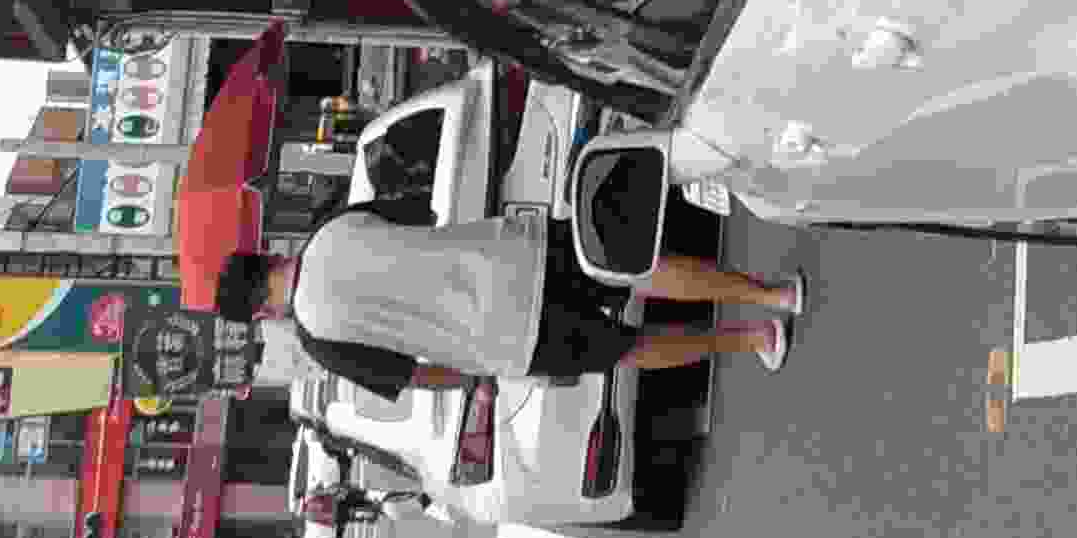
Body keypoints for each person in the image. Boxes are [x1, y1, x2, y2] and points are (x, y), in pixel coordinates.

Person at [219, 187, 800, 394]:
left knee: (631, 348)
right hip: (513, 252)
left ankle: (753, 337)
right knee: (631, 272)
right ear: (270, 254)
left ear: (263, 312)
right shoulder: (333, 227)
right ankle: (771, 296)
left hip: (507, 337)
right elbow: (423, 213)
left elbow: (413, 374)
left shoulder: (319, 340)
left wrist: (479, 376)